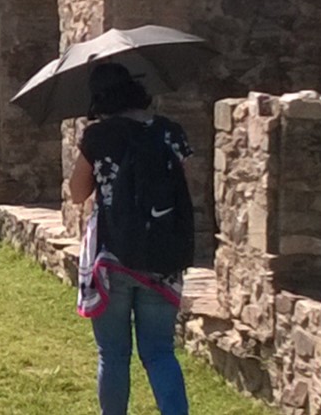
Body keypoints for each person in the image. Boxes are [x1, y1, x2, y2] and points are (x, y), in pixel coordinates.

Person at [68, 63, 193, 415]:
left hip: (112, 257)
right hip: (162, 257)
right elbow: (183, 186)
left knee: (113, 354)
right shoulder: (171, 132)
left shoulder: (98, 137)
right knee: (160, 352)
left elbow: (77, 193)